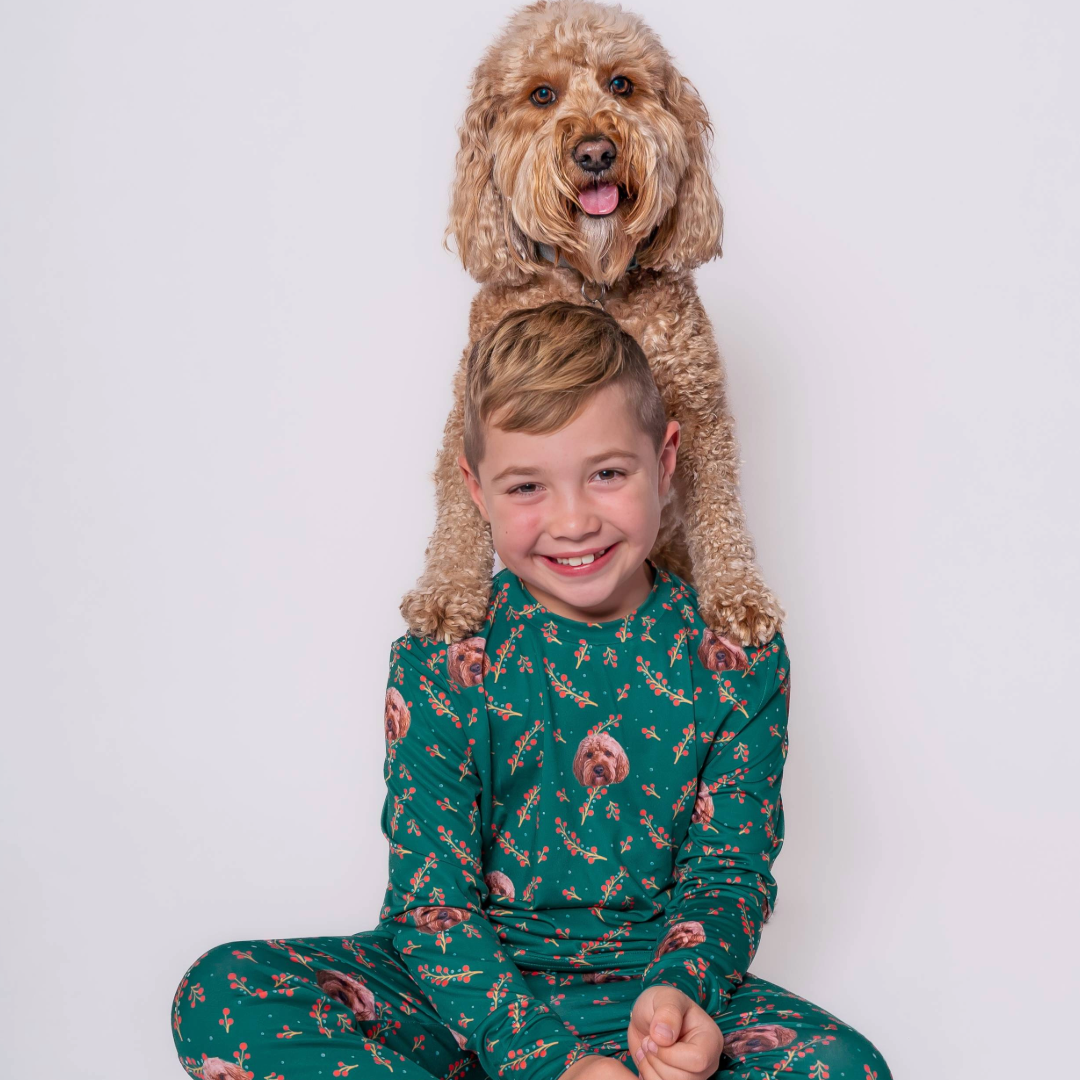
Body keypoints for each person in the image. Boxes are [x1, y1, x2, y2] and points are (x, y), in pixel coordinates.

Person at [170, 301, 893, 1080]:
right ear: (475, 490)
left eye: (608, 474)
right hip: (463, 994)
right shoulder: (443, 660)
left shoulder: (736, 658)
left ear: (668, 459)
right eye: (527, 488)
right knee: (222, 992)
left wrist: (681, 995)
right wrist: (549, 1065)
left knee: (845, 1068)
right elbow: (431, 904)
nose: (573, 520)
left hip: (645, 998)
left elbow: (729, 874)